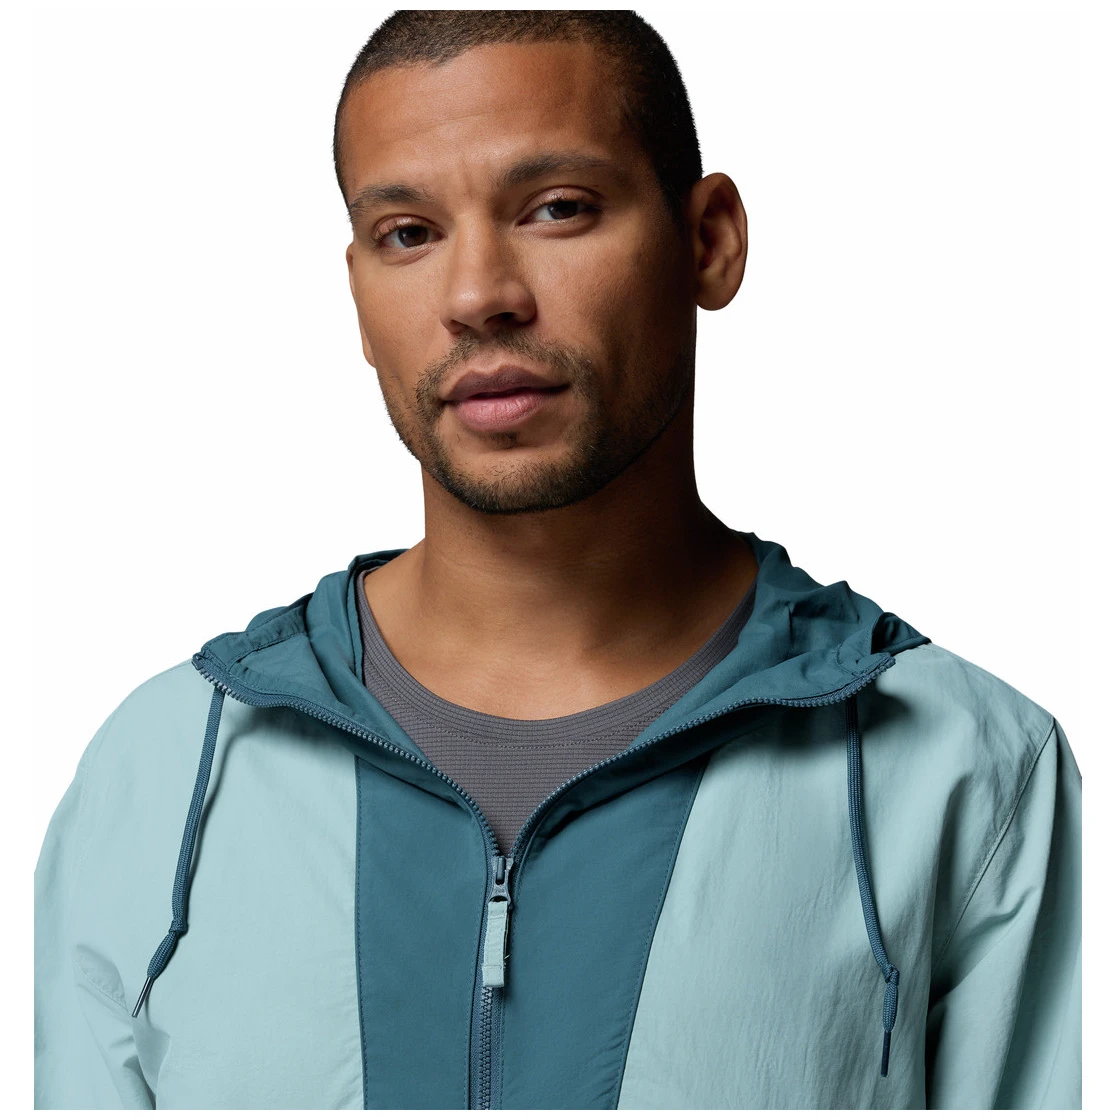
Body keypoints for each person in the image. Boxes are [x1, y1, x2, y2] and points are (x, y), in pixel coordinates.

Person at [34, 10, 1081, 1110]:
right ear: (358, 292)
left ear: (709, 241)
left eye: (557, 208)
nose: (477, 294)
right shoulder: (163, 774)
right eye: (407, 232)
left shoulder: (966, 770)